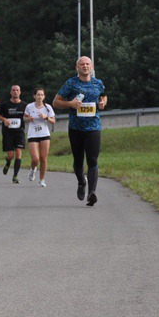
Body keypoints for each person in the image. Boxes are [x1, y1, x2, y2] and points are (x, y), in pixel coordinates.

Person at [53, 56, 108, 206]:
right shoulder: (71, 83)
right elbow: (56, 102)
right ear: (77, 67)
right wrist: (70, 104)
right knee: (78, 160)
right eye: (82, 64)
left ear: (92, 67)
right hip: (76, 128)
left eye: (87, 64)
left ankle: (92, 193)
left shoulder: (98, 83)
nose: (85, 66)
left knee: (93, 159)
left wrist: (102, 103)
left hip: (94, 127)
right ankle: (81, 182)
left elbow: (103, 96)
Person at [0, 84, 27, 184]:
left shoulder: (24, 105)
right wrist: (4, 119)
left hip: (19, 132)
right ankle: (8, 162)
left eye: (17, 90)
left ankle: (15, 176)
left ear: (20, 92)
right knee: (10, 155)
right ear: (10, 92)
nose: (15, 92)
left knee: (18, 153)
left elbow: (29, 115)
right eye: (13, 90)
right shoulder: (5, 105)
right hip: (8, 133)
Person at [24, 87, 55, 186]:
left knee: (43, 158)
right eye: (38, 95)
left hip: (44, 134)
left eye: (42, 95)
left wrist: (46, 117)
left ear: (44, 96)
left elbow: (53, 121)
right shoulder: (29, 106)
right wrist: (28, 118)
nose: (40, 97)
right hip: (33, 134)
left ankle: (42, 180)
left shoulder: (48, 107)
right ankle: (33, 169)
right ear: (34, 96)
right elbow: (24, 117)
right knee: (35, 159)